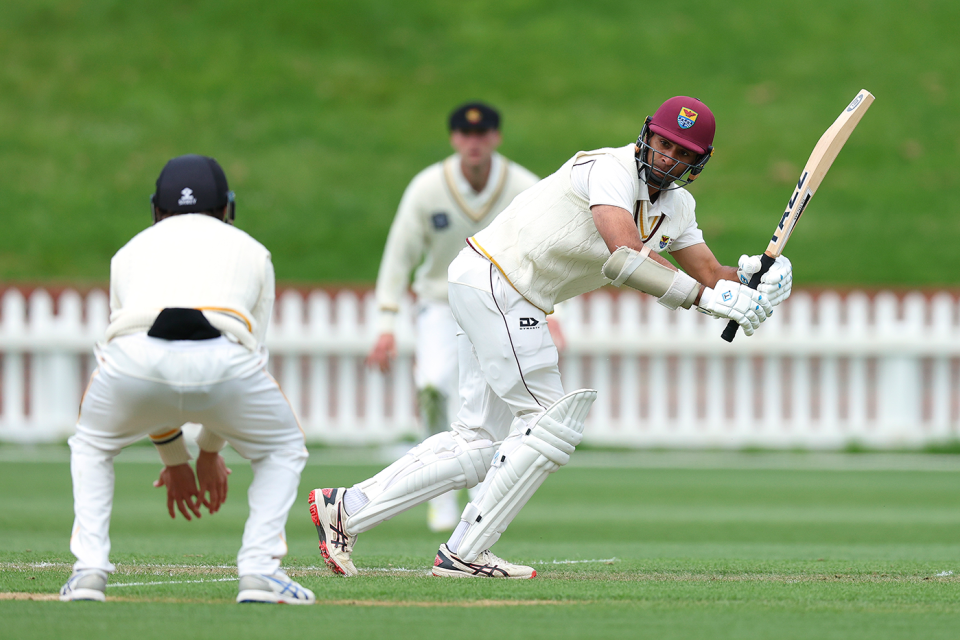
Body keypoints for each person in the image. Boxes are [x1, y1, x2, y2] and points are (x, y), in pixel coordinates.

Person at [309, 96, 793, 578]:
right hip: (501, 280)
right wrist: (707, 300)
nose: (669, 157)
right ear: (648, 135)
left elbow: (710, 274)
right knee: (548, 424)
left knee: (480, 444)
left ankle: (346, 508)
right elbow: (624, 253)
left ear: (698, 161)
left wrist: (753, 280)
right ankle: (465, 553)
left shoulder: (678, 207)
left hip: (498, 286)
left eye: (683, 152)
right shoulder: (610, 169)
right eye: (665, 143)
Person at [59, 155, 314, 604]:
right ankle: (259, 570)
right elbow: (247, 355)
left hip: (134, 359)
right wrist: (209, 452)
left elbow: (145, 361)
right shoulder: (254, 252)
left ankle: (88, 573)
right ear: (226, 209)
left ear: (156, 209)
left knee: (92, 444)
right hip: (225, 356)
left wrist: (175, 458)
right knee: (282, 447)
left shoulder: (128, 253)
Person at [365, 102, 541, 532]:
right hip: (440, 304)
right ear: (454, 139)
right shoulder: (427, 188)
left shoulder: (523, 186)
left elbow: (548, 249)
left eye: (482, 135)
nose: (474, 142)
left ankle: (481, 495)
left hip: (500, 302)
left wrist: (558, 314)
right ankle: (440, 496)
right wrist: (385, 324)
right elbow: (398, 258)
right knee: (433, 388)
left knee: (497, 399)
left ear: (496, 138)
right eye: (465, 134)